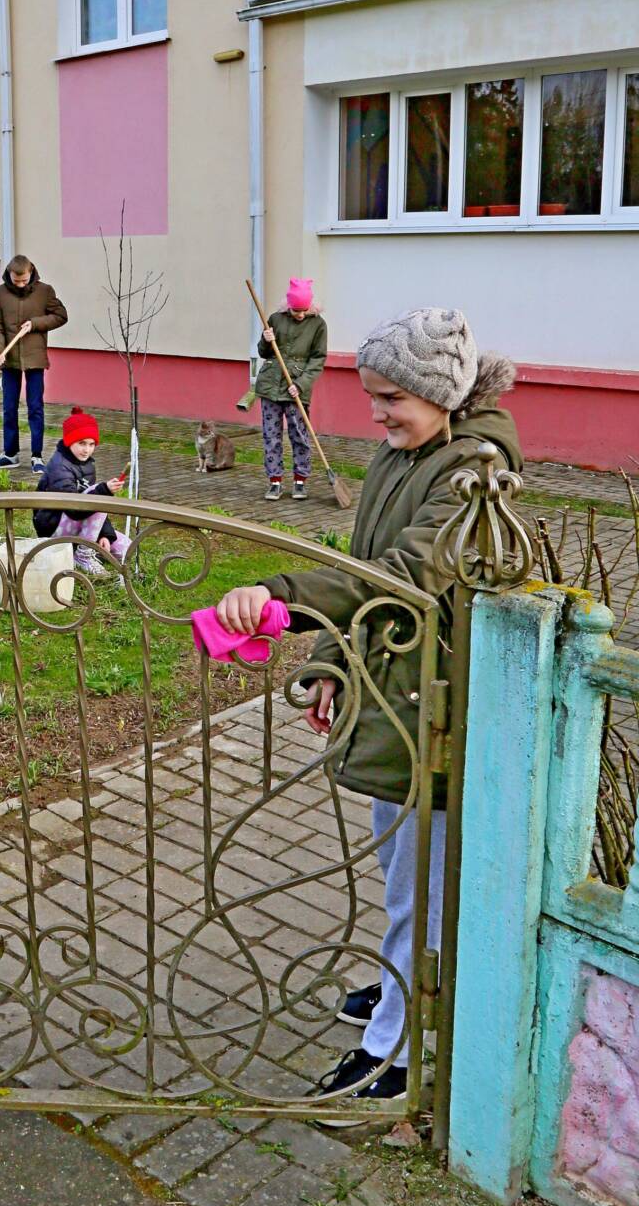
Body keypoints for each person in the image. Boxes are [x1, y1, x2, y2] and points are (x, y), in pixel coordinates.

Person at [215, 308, 521, 1120]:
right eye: (372, 395)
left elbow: (402, 576)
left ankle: (396, 1043)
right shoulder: (402, 455)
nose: (376, 413)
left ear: (441, 394)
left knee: (422, 884)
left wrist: (281, 596)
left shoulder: (471, 474)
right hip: (390, 694)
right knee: (401, 874)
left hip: (434, 705)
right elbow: (358, 566)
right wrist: (327, 664)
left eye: (392, 398)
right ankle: (400, 976)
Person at [0, 254, 68, 476]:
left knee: (35, 408)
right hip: (9, 359)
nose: (20, 285)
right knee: (9, 408)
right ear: (10, 274)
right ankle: (10, 455)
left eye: (23, 280)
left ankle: (37, 456)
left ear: (30, 272)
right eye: (16, 280)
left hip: (35, 359)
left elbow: (61, 315)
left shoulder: (44, 291)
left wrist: (36, 324)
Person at [255, 277, 328, 501]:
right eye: (296, 310)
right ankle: (275, 481)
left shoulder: (318, 325)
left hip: (297, 388)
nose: (300, 314)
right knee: (271, 436)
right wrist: (266, 340)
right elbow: (264, 353)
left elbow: (318, 360)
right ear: (289, 305)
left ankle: (300, 481)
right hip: (271, 386)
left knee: (299, 435)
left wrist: (301, 384)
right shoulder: (276, 319)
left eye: (303, 310)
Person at [34, 408, 129, 576]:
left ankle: (85, 548)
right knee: (96, 494)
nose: (87, 450)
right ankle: (83, 556)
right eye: (82, 443)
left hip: (78, 521)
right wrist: (103, 490)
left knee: (125, 548)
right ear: (70, 441)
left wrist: (104, 534)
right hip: (53, 526)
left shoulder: (87, 465)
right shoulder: (59, 466)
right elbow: (75, 508)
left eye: (91, 444)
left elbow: (94, 507)